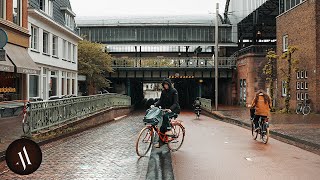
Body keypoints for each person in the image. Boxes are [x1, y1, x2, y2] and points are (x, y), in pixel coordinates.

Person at [154, 78, 181, 147]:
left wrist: (170, 109)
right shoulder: (163, 92)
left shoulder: (174, 91)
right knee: (162, 127)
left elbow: (175, 103)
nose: (165, 86)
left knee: (165, 116)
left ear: (169, 84)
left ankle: (169, 131)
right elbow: (160, 101)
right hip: (167, 109)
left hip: (175, 109)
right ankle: (161, 143)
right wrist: (154, 105)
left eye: (166, 84)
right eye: (164, 85)